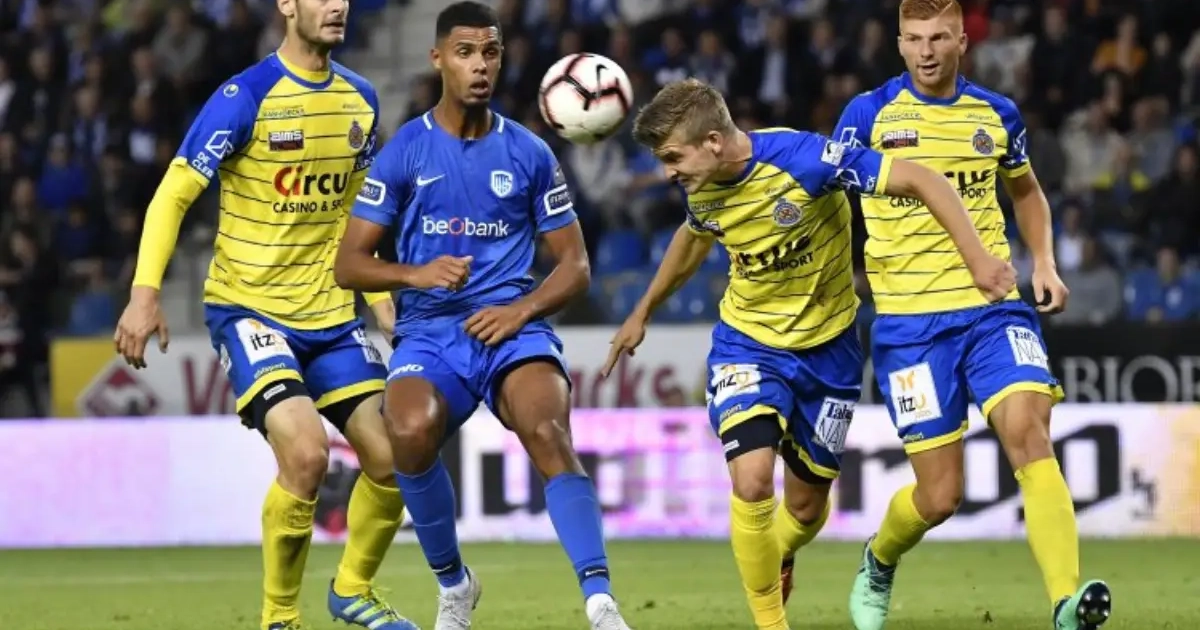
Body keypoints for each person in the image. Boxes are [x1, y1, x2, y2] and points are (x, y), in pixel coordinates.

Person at [603, 77, 1015, 630]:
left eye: (673, 157)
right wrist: (643, 309)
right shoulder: (702, 185)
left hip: (830, 352)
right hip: (748, 345)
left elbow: (921, 179)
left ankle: (781, 551)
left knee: (804, 509)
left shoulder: (807, 161)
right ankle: (771, 623)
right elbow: (694, 234)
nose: (668, 172)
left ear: (714, 142)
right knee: (751, 480)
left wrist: (978, 258)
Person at [112, 2, 416, 629]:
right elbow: (173, 194)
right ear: (286, 4)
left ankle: (352, 590)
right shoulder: (244, 97)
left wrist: (381, 301)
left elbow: (359, 214)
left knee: (394, 456)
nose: (337, 5)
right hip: (251, 309)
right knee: (306, 454)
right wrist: (145, 293)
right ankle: (279, 618)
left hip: (331, 313)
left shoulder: (360, 99)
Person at [332, 3, 633, 630]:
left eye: (490, 52)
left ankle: (601, 603)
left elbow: (576, 266)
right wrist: (414, 274)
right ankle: (455, 585)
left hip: (512, 329)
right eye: (466, 52)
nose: (480, 66)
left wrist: (521, 309)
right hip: (430, 333)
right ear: (438, 59)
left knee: (548, 430)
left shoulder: (529, 152)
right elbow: (349, 265)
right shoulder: (405, 152)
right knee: (408, 430)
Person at [833, 1, 1112, 629]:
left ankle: (1066, 604)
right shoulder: (867, 116)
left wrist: (1044, 261)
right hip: (908, 326)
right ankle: (879, 559)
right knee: (939, 496)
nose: (926, 51)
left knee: (1029, 430)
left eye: (939, 38)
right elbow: (828, 199)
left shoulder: (995, 114)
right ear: (899, 44)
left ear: (963, 40)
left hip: (991, 309)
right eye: (914, 39)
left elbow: (1026, 190)